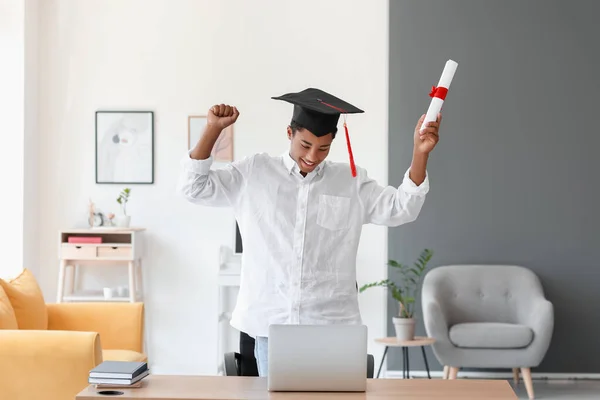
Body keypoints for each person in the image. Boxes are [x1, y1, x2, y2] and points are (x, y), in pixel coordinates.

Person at [177, 88, 442, 376]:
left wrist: (420, 153)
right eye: (305, 145)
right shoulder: (255, 172)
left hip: (332, 327)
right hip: (269, 325)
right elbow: (194, 188)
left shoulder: (350, 181)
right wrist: (213, 130)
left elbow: (403, 207)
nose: (312, 156)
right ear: (289, 132)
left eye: (323, 148)